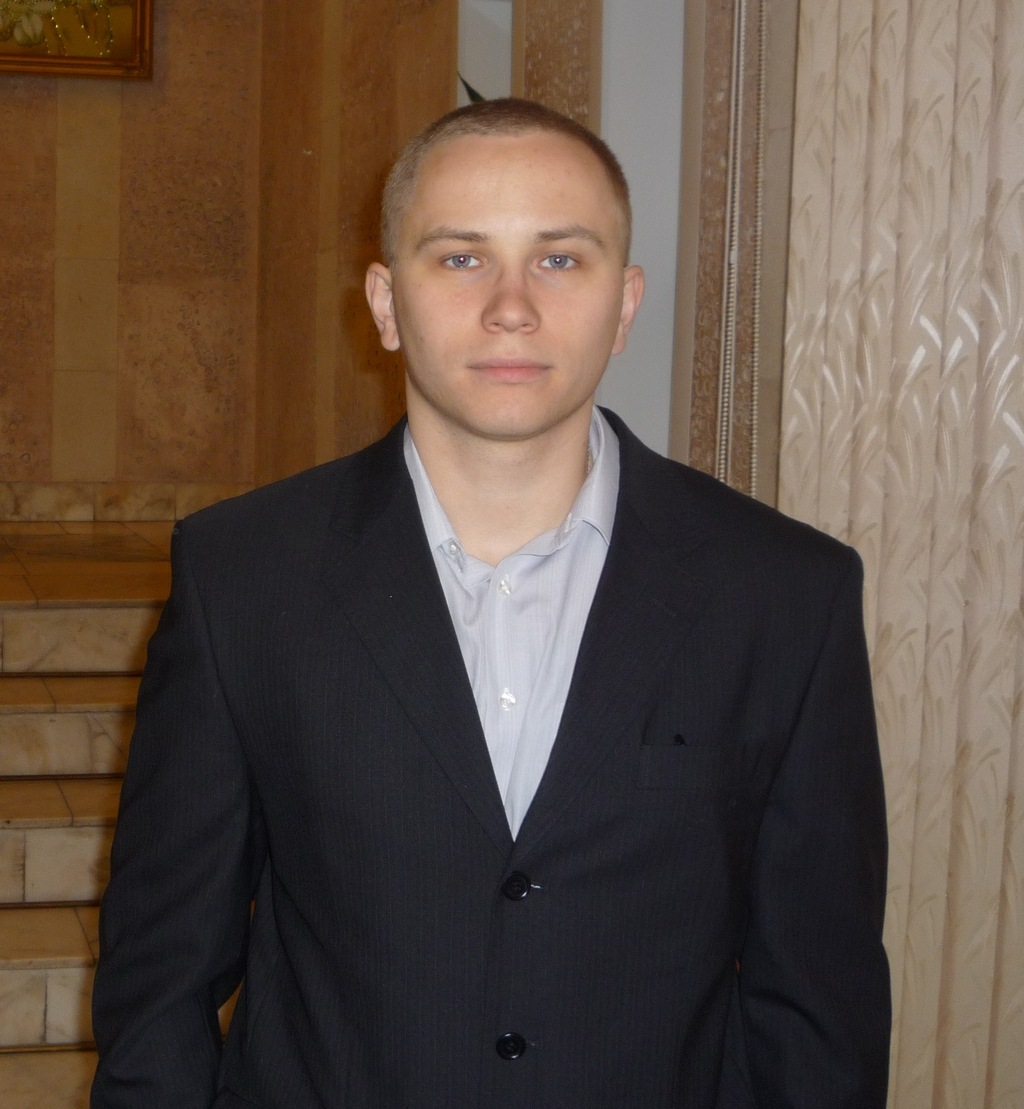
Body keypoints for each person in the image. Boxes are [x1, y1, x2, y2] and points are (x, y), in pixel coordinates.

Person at [91, 98, 890, 1108]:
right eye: (462, 257)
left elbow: (819, 1006)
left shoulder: (785, 593)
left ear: (625, 303)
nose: (512, 306)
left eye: (559, 258)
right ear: (386, 302)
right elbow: (160, 980)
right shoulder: (242, 577)